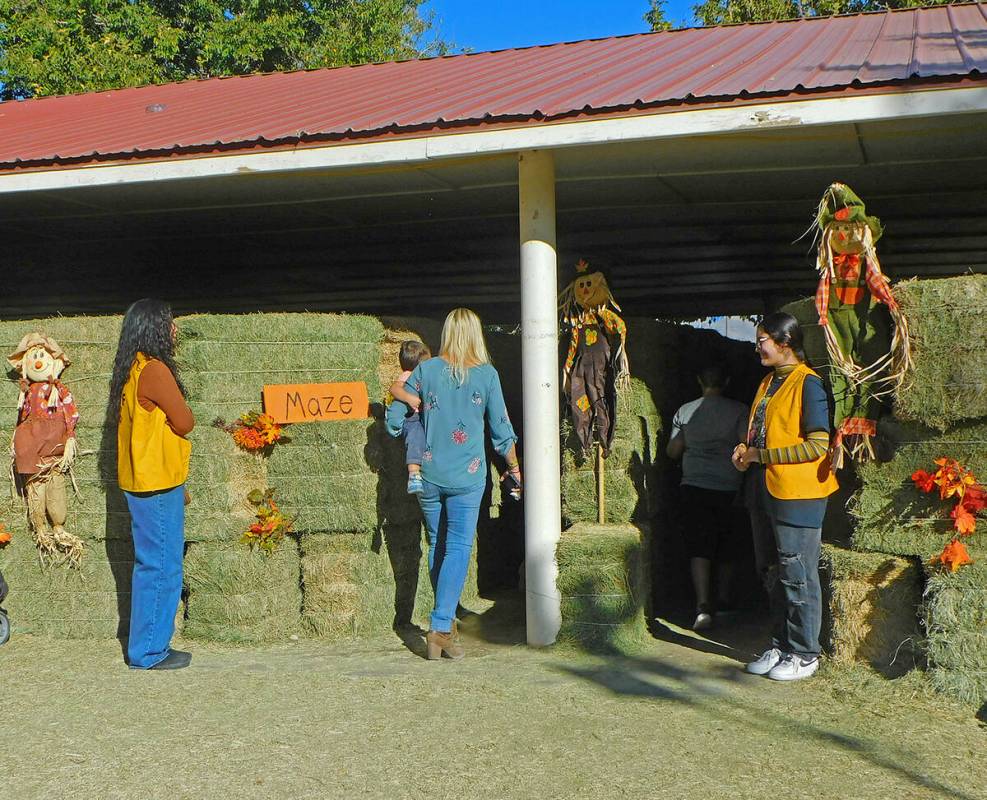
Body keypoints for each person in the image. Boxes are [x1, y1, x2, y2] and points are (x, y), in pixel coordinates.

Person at [393, 308, 519, 661]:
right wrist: (514, 468)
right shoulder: (486, 375)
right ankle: (440, 625)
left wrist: (408, 404)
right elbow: (501, 430)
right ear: (477, 334)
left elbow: (399, 397)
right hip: (467, 476)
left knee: (438, 543)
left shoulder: (426, 370)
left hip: (429, 474)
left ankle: (444, 629)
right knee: (459, 546)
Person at [732, 312, 838, 682]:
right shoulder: (766, 382)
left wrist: (762, 456)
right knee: (773, 573)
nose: (757, 347)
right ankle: (780, 644)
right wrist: (745, 451)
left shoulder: (809, 384)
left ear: (785, 343)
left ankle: (805, 653)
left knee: (798, 574)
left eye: (762, 341)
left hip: (798, 494)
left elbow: (818, 446)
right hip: (763, 489)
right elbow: (763, 434)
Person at [109, 299, 194, 670]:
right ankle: (148, 651)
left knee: (151, 563)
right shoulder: (155, 371)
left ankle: (149, 645)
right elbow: (185, 421)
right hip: (156, 482)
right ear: (156, 328)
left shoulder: (131, 368)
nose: (174, 329)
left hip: (141, 480)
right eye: (169, 322)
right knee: (162, 565)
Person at [666, 363, 748, 631]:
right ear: (726, 381)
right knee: (727, 545)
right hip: (729, 487)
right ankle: (723, 600)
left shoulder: (685, 411)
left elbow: (673, 451)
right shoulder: (739, 410)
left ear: (699, 380)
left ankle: (702, 605)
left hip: (694, 485)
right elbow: (745, 446)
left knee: (699, 545)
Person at [389, 340, 431, 494]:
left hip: (421, 416)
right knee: (416, 436)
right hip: (411, 418)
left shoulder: (426, 375)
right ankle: (413, 474)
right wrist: (408, 397)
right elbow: (394, 388)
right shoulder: (408, 375)